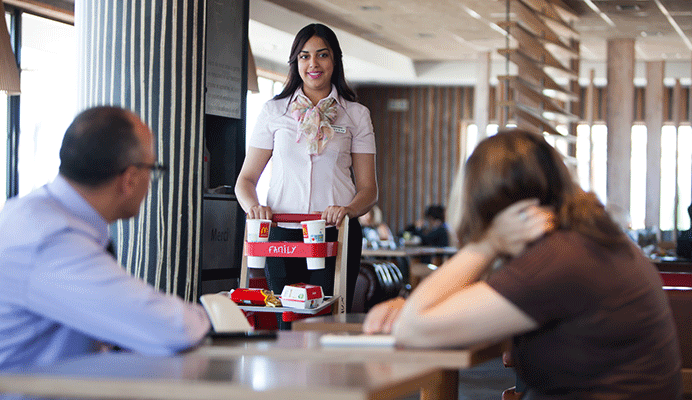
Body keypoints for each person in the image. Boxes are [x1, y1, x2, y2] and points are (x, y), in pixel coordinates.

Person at [364, 129, 682, 399]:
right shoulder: (585, 237)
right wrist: (413, 307)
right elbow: (450, 318)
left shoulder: (559, 258)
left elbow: (411, 331)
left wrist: (488, 243)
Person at [0, 106, 211, 370]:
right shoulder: (50, 241)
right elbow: (173, 328)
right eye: (152, 169)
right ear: (130, 179)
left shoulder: (38, 215)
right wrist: (210, 315)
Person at [235, 23, 378, 314]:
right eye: (304, 56)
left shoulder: (357, 114)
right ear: (295, 62)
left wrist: (348, 210)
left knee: (325, 322)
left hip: (335, 233)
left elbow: (369, 189)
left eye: (322, 55)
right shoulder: (274, 111)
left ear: (334, 60)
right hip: (280, 234)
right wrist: (255, 208)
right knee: (283, 318)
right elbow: (245, 180)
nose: (313, 63)